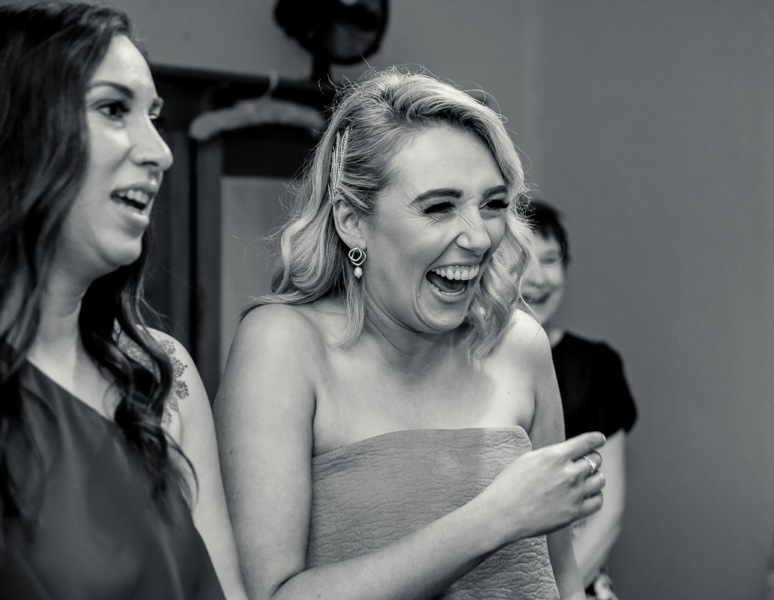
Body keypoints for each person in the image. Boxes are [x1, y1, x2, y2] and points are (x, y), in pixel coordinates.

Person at [214, 68, 607, 600]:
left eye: (492, 204)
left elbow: (562, 581)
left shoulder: (518, 344)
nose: (478, 237)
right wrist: (493, 518)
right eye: (439, 207)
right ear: (352, 220)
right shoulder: (284, 346)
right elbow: (269, 595)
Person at [0, 4, 246, 599]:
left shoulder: (160, 377)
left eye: (154, 116)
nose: (161, 152)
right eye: (114, 109)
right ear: (14, 129)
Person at [521, 201, 638, 600]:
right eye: (521, 260)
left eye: (550, 259)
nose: (537, 277)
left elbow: (609, 512)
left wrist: (553, 594)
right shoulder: (463, 362)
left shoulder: (595, 367)